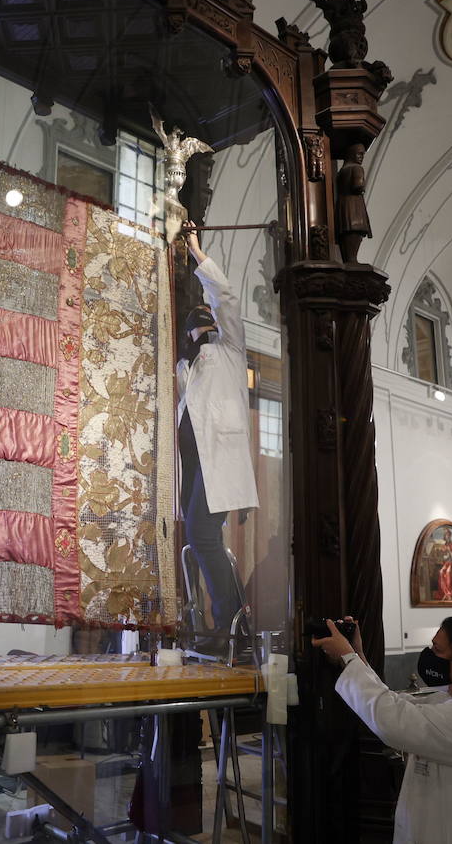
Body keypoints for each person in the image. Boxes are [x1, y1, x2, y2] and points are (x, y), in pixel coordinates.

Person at [312, 615, 452, 843]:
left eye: (437, 650)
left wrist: (348, 657)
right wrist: (357, 656)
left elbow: (393, 721)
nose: (430, 656)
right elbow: (393, 705)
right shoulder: (450, 702)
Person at [177, 222, 258, 643]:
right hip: (195, 467)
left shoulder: (228, 351)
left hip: (217, 463)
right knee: (199, 536)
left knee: (202, 534)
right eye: (200, 322)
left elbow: (225, 299)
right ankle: (227, 616)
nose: (206, 324)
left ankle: (229, 618)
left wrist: (196, 252)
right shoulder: (185, 369)